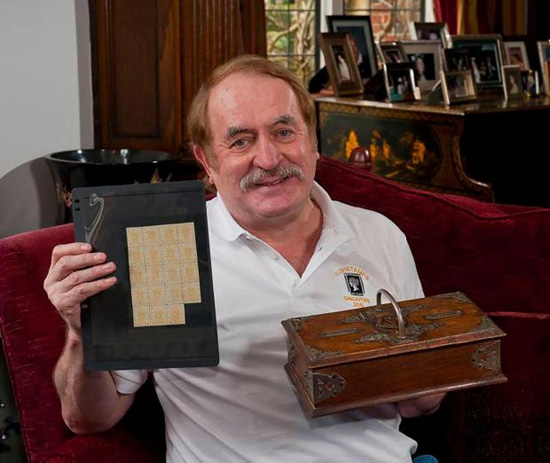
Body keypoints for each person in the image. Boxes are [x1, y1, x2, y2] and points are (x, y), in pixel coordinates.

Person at [44, 55, 444, 462]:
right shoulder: (165, 246)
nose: (269, 160)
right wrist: (81, 334)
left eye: (284, 131)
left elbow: (420, 404)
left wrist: (427, 372)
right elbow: (89, 419)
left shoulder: (379, 235)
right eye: (240, 141)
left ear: (313, 141)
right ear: (207, 161)